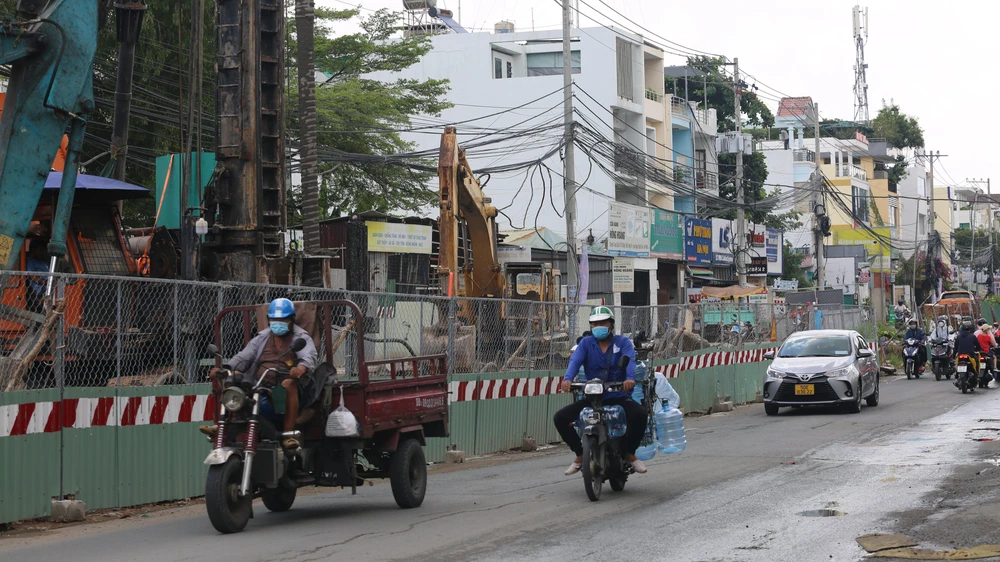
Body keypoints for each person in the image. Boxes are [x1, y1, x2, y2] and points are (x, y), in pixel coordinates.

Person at [554, 306, 649, 476]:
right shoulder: (585, 343)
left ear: (611, 324)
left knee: (641, 415)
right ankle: (580, 455)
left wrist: (629, 379)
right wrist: (567, 379)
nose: (599, 326)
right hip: (592, 397)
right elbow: (575, 362)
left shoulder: (623, 343)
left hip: (617, 395)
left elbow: (631, 362)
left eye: (602, 322)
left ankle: (629, 453)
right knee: (560, 418)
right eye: (595, 323)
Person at [213, 298, 317, 449]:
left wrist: (301, 368)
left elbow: (309, 356)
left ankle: (288, 435)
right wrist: (226, 367)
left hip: (286, 386)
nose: (278, 322)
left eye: (283, 319)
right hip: (260, 383)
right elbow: (244, 356)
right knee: (234, 379)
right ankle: (221, 426)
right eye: (274, 319)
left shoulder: (302, 338)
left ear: (292, 319)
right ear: (268, 319)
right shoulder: (261, 337)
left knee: (289, 383)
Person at [24, 238, 49, 313]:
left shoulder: (44, 262)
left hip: (50, 285)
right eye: (40, 250)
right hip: (40, 290)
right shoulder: (30, 262)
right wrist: (46, 282)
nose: (43, 252)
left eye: (44, 250)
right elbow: (33, 277)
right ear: (34, 250)